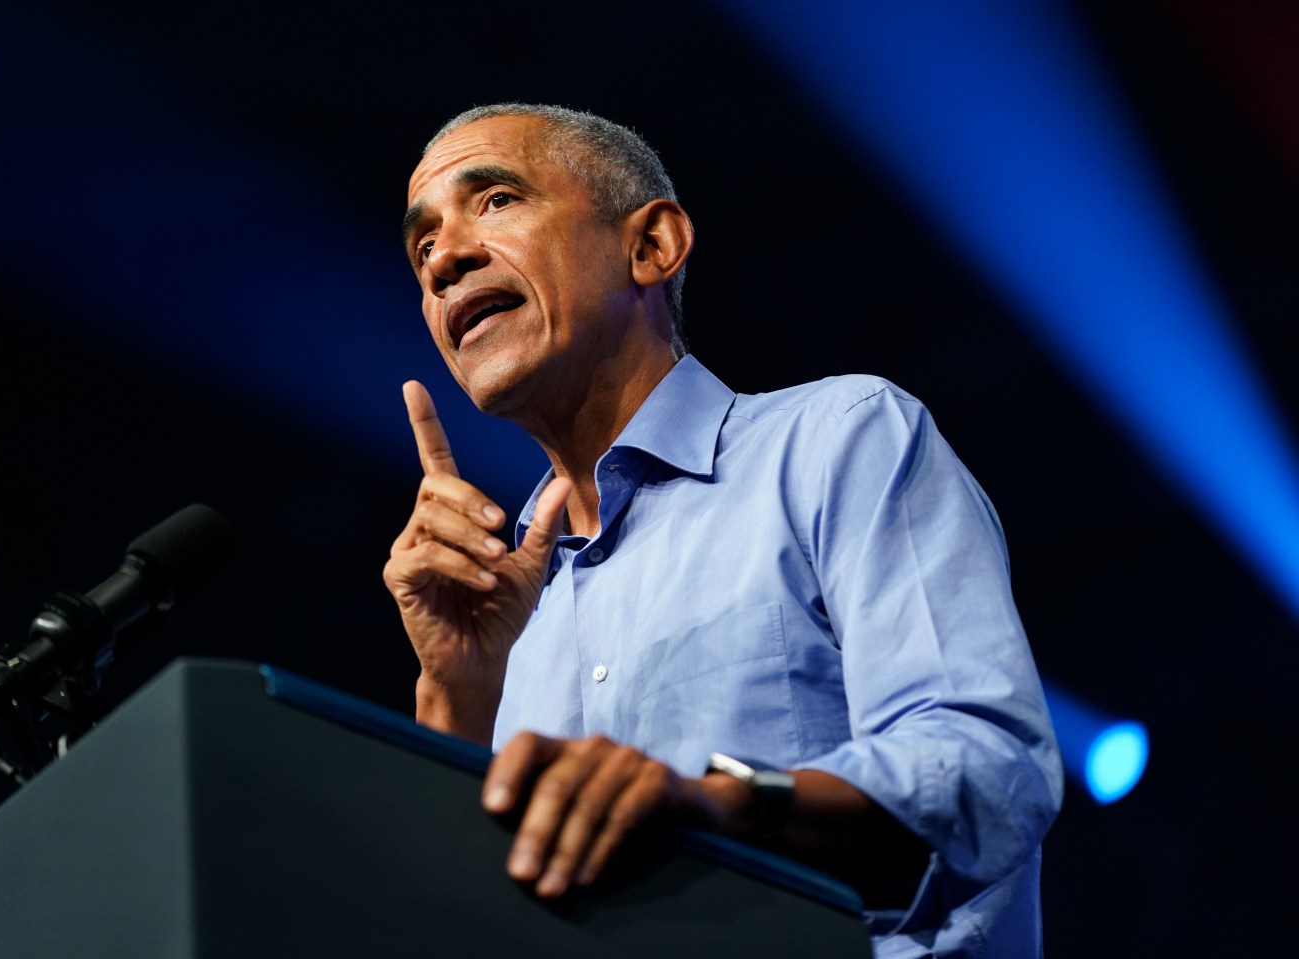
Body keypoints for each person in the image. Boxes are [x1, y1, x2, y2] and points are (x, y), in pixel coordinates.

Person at [384, 103, 1062, 958]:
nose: (444, 259)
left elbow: (987, 769)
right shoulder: (505, 605)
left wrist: (719, 806)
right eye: (421, 249)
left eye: (496, 201)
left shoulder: (837, 440)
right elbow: (445, 923)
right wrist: (456, 695)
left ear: (652, 246)